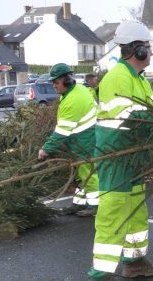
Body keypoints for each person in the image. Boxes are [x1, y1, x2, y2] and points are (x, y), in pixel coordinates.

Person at [88, 20, 153, 280]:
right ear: (137, 50)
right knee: (113, 214)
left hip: (133, 158)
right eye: (148, 48)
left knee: (136, 211)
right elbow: (132, 117)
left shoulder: (138, 80)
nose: (151, 53)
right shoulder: (117, 78)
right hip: (116, 157)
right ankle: (100, 274)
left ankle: (135, 262)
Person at [38, 63, 99, 217]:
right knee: (79, 173)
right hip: (81, 139)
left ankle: (95, 206)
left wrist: (46, 149)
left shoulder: (74, 99)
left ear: (66, 80)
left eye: (56, 82)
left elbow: (62, 131)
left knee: (88, 173)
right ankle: (79, 203)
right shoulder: (76, 90)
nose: (53, 85)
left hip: (86, 140)